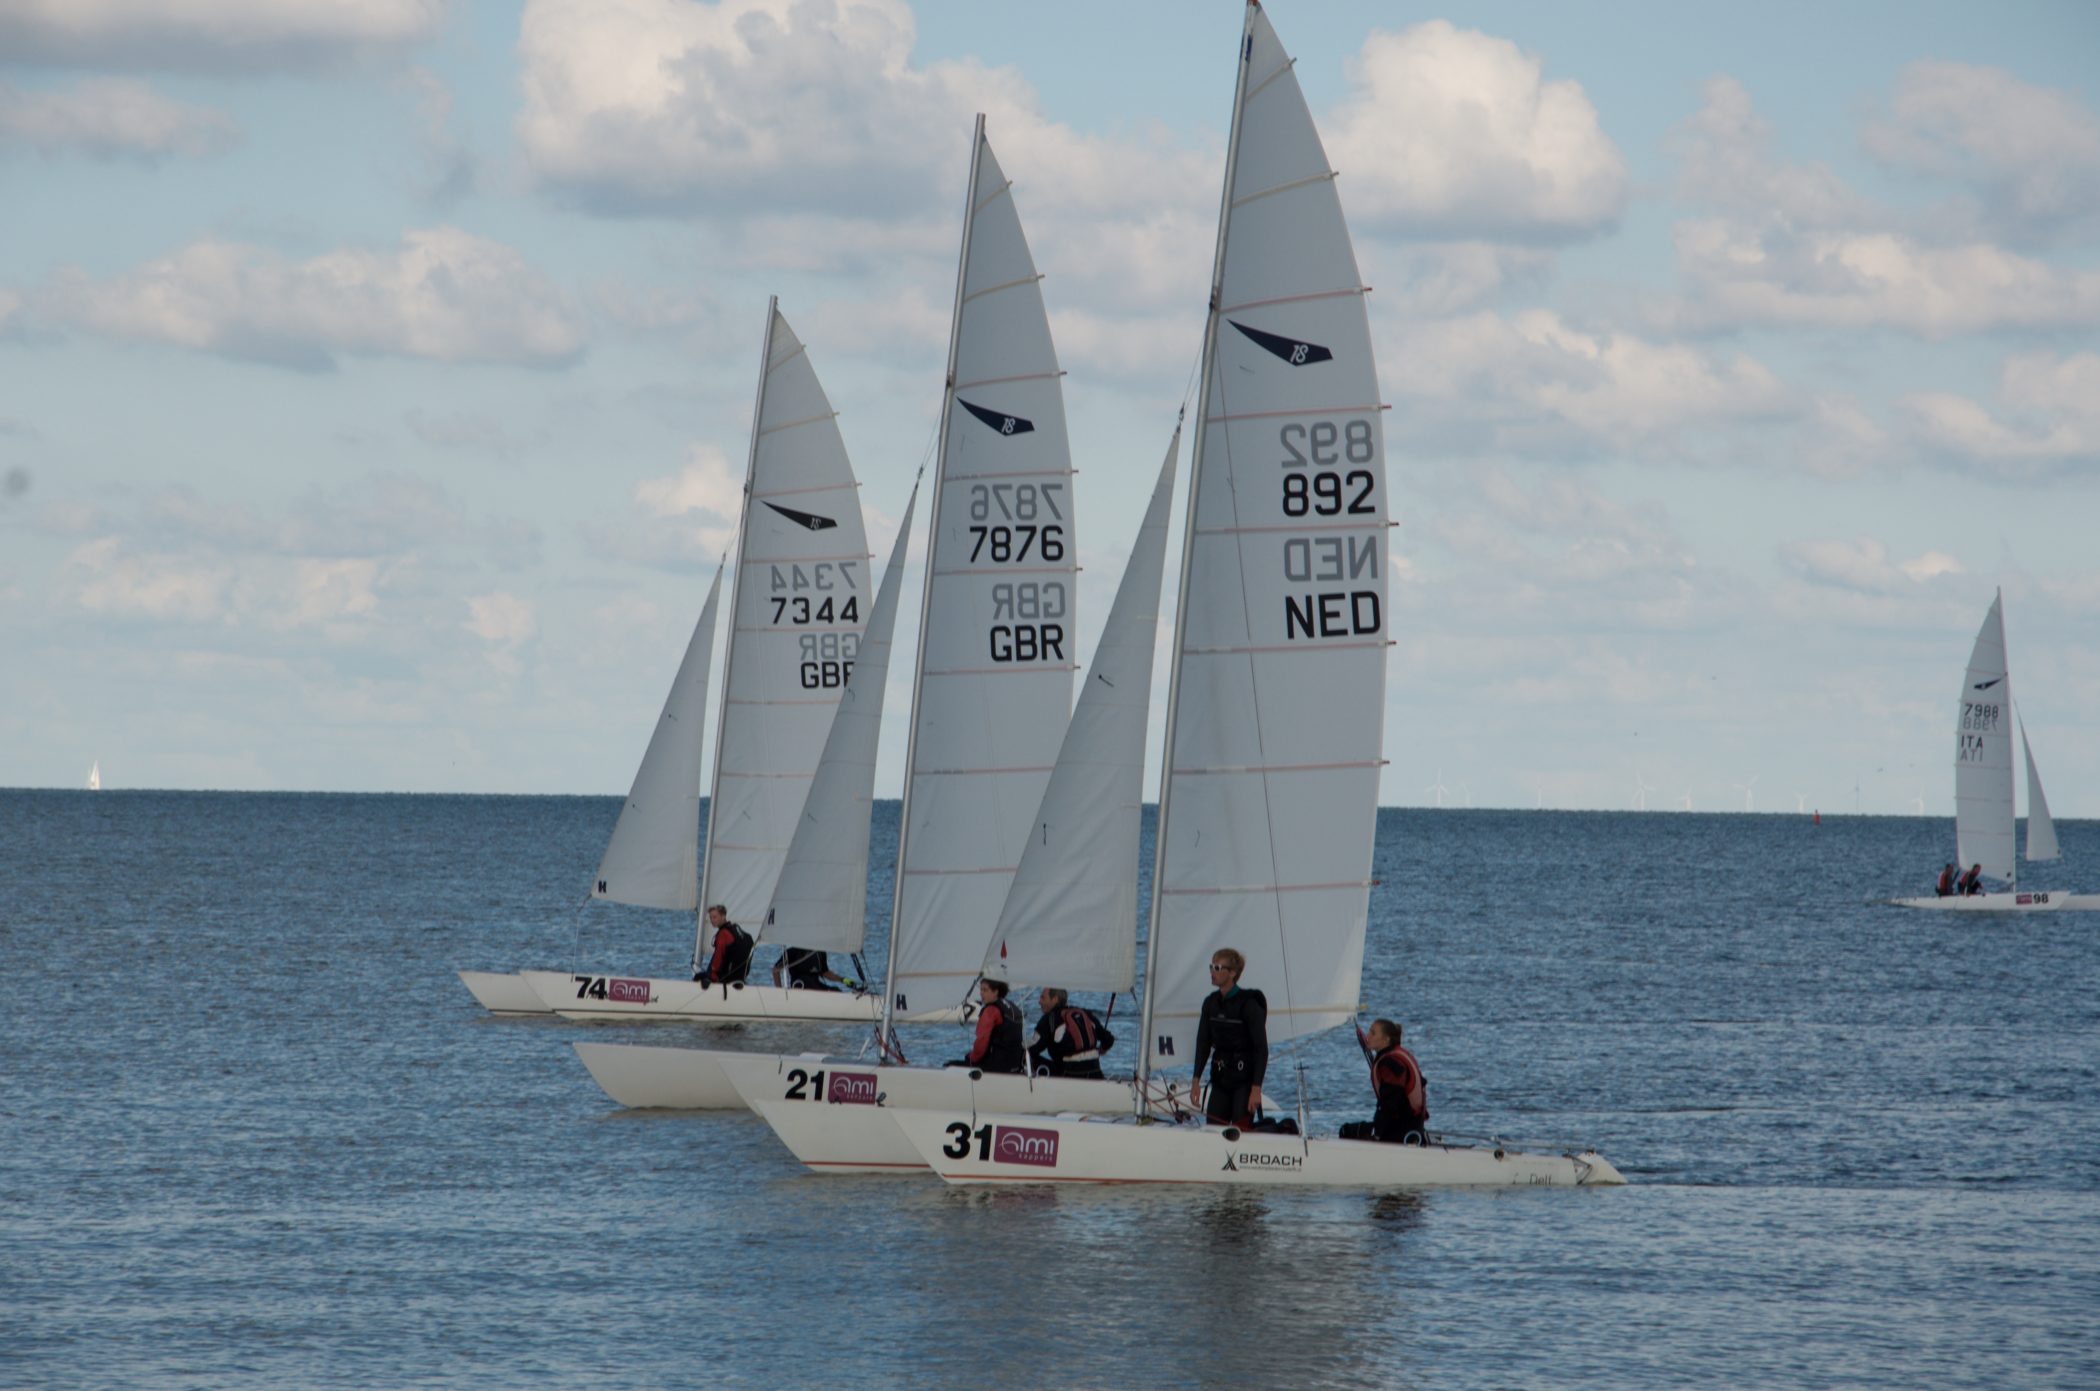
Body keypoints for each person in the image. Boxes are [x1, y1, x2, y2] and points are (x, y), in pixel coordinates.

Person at [1189, 948, 1267, 1126]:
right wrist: (1196, 1080)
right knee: (1213, 1130)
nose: (1212, 972)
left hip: (1244, 1082)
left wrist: (1256, 1088)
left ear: (1232, 973)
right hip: (1220, 1079)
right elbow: (1203, 1043)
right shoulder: (1210, 1003)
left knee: (1240, 1132)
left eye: (1217, 967)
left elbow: (1261, 1049)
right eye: (1211, 967)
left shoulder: (1249, 1004)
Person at [1351, 1018, 1429, 1144]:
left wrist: (1377, 1133)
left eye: (1373, 1033)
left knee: (1345, 1131)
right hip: (1409, 1127)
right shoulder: (1396, 1055)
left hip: (1400, 1131)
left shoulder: (1389, 1063)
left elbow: (1390, 1103)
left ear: (1386, 1039)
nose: (1368, 1036)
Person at [945, 971, 1025, 1074]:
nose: (981, 993)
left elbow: (981, 1042)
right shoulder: (1012, 1006)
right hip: (1015, 1064)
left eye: (985, 990)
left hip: (997, 1066)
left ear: (996, 991)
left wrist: (971, 1058)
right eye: (981, 990)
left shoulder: (991, 1010)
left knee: (950, 1065)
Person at [1028, 987, 1116, 1079]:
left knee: (1027, 1056)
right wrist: (1101, 1050)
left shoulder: (1049, 1019)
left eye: (1043, 998)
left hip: (1068, 1073)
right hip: (1095, 1072)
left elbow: (1032, 1049)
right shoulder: (1085, 1013)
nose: (1039, 1002)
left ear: (1055, 999)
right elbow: (1109, 1040)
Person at [694, 905, 753, 985]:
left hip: (725, 978)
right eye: (710, 917)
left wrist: (713, 977)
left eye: (715, 917)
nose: (712, 920)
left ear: (723, 916)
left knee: (697, 977)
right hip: (739, 977)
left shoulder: (723, 934)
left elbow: (718, 957)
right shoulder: (736, 928)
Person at [773, 946, 848, 992]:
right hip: (800, 985)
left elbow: (825, 973)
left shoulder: (819, 952)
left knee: (836, 990)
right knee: (807, 982)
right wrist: (780, 992)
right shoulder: (792, 951)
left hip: (815, 984)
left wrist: (842, 980)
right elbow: (775, 970)